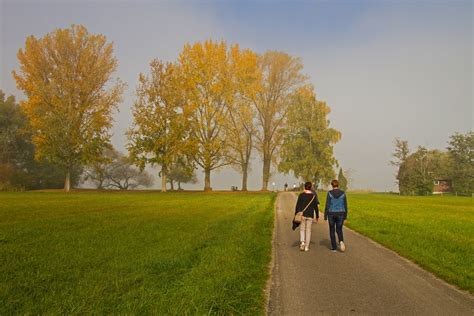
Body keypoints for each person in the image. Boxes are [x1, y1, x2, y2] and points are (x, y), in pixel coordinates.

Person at [293, 181, 319, 251]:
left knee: (302, 229)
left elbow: (298, 206)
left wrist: (296, 214)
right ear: (311, 188)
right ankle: (307, 246)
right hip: (310, 215)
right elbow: (316, 207)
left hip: (302, 215)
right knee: (308, 230)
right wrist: (317, 216)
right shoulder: (313, 196)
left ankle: (302, 243)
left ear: (305, 187)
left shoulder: (301, 195)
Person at [324, 179, 348, 252]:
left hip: (331, 213)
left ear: (332, 185)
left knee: (332, 230)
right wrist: (345, 216)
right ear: (338, 185)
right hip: (341, 213)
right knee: (339, 229)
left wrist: (325, 215)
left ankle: (334, 247)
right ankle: (341, 241)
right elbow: (345, 205)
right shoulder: (343, 193)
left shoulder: (329, 193)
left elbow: (327, 205)